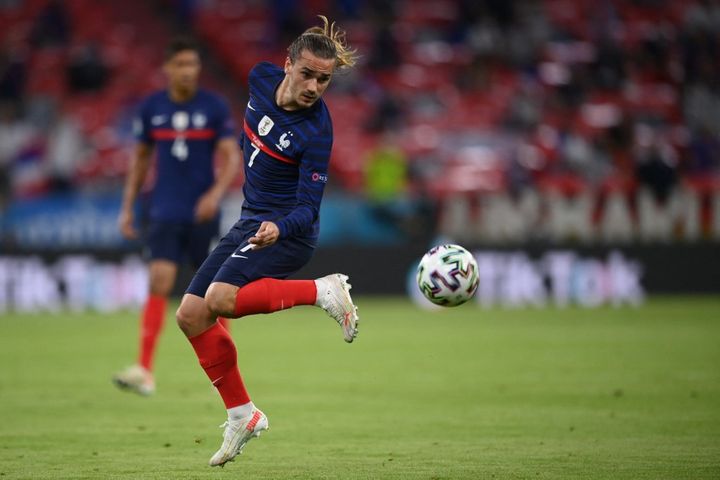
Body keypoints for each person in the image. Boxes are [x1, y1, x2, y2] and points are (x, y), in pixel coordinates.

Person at [174, 16, 359, 467]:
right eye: (308, 74)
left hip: (288, 234)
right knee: (191, 316)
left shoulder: (317, 131)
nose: (315, 86)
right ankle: (243, 414)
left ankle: (322, 290)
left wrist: (279, 227)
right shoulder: (258, 78)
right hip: (249, 221)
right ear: (287, 65)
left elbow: (309, 209)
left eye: (324, 79)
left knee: (219, 299)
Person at [112, 37, 241, 396]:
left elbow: (232, 157)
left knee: (216, 295)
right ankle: (144, 370)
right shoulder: (152, 108)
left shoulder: (213, 107)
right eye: (181, 64)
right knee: (159, 279)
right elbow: (139, 161)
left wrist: (215, 195)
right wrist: (127, 207)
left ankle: (229, 370)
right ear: (168, 68)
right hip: (165, 209)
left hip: (202, 211)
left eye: (193, 64)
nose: (188, 71)